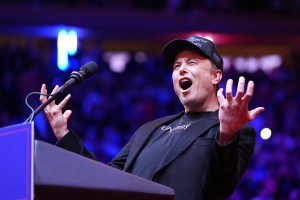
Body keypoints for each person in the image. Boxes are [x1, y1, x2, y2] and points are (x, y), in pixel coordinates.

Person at [40, 35, 264, 200]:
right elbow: (104, 178)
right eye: (177, 66)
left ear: (216, 76)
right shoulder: (149, 129)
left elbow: (218, 189)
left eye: (192, 63)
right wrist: (63, 133)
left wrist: (226, 134)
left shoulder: (235, 131)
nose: (182, 70)